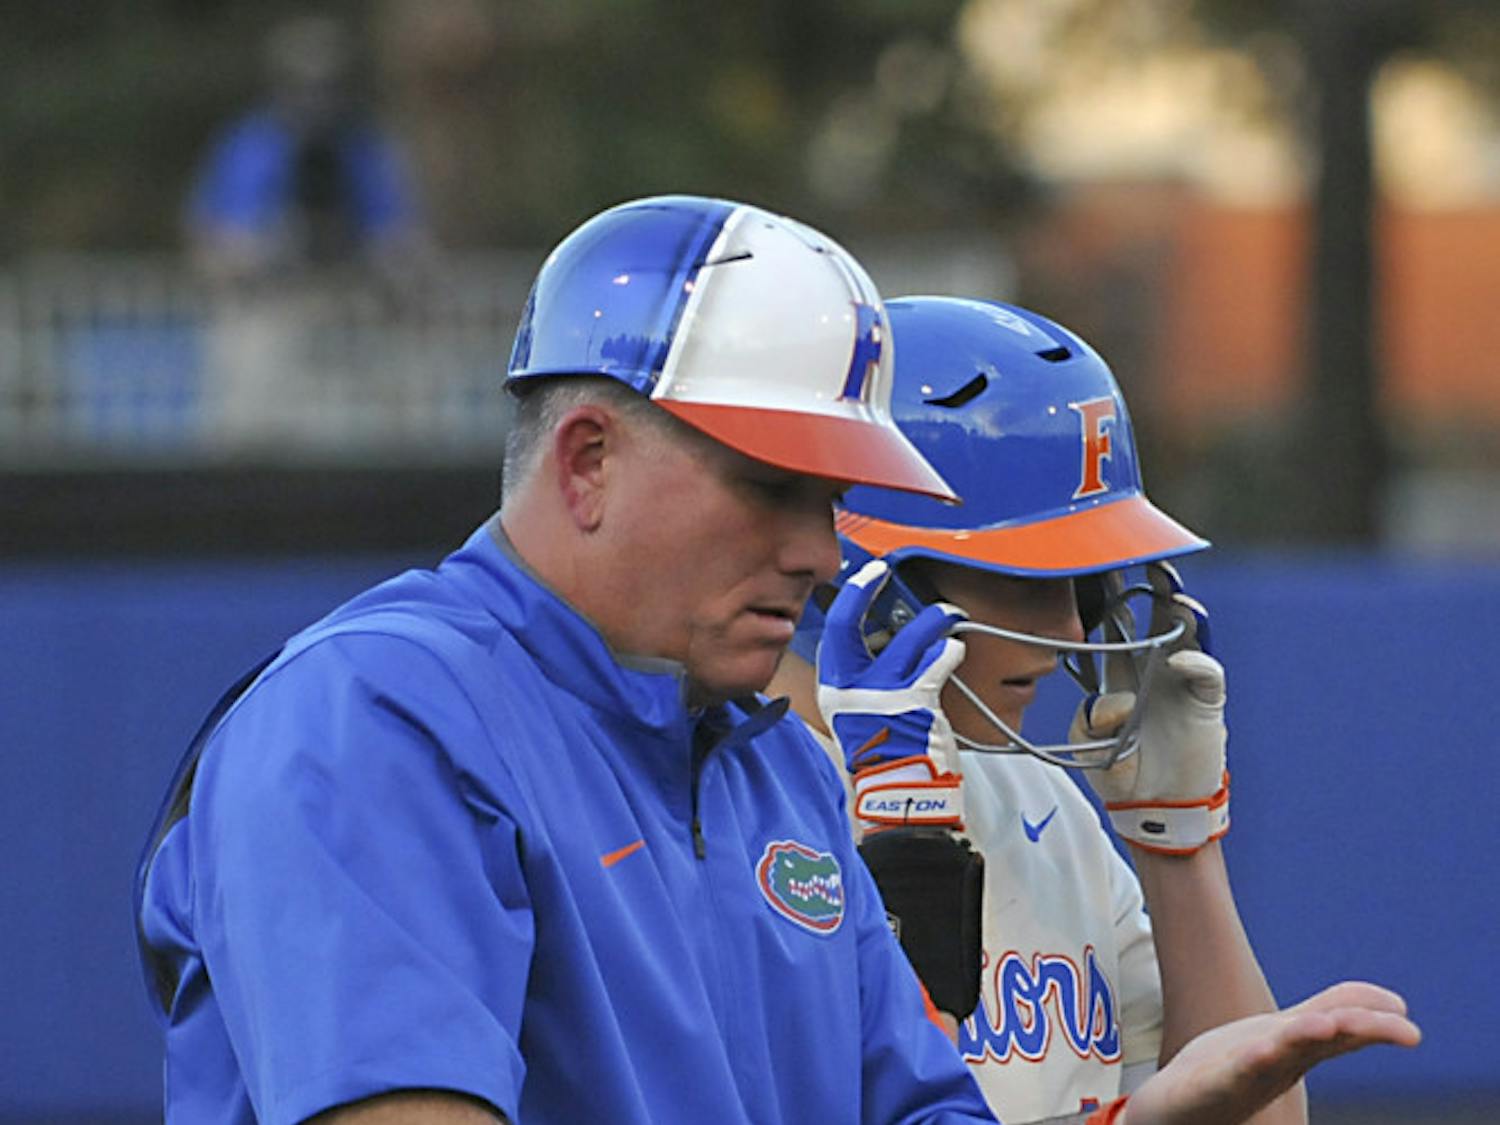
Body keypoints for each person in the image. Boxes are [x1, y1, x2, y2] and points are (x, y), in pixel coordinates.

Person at [134, 198, 1418, 1125]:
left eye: (842, 495)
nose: (825, 548)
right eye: (776, 485)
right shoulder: (378, 716)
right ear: (587, 458)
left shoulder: (768, 762)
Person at [765, 296, 1318, 1121]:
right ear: (865, 581)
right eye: (1022, 579)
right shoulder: (743, 799)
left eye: (1083, 583)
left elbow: (1256, 1114)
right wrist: (902, 845)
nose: (1066, 631)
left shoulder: (1039, 796)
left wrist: (1179, 846)